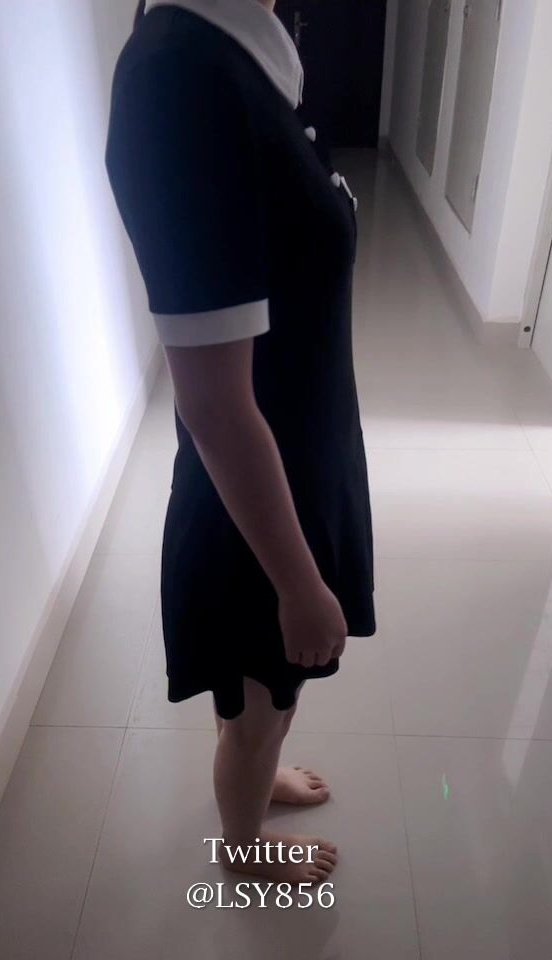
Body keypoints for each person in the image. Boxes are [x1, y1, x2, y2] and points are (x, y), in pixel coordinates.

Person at [105, 0, 375, 885]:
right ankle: (244, 848)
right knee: (266, 702)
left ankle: (251, 770)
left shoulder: (247, 45)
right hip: (258, 496)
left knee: (260, 694)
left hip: (296, 457)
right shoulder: (180, 82)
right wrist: (298, 584)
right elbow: (216, 409)